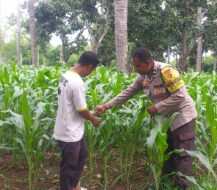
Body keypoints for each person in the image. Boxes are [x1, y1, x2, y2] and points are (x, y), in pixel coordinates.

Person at [94, 48, 197, 189]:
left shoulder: (166, 72)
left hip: (183, 117)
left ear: (147, 63)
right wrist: (106, 106)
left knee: (182, 153)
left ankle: (181, 186)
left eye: (137, 66)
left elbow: (180, 96)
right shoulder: (144, 77)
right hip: (167, 119)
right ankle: (164, 183)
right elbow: (128, 92)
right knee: (166, 152)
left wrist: (157, 108)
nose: (135, 69)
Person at [53, 51, 100, 190]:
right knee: (69, 166)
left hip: (72, 128)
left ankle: (74, 186)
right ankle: (67, 187)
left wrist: (89, 113)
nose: (91, 74)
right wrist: (93, 119)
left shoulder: (65, 75)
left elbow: (73, 104)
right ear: (89, 67)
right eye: (93, 70)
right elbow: (82, 110)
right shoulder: (77, 81)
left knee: (82, 155)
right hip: (69, 132)